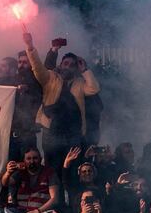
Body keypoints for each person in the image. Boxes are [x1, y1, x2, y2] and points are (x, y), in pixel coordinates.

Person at [21, 31, 100, 177]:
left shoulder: (80, 83)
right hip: (51, 132)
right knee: (52, 169)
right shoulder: (51, 78)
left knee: (72, 169)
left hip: (73, 133)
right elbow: (37, 67)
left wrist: (85, 70)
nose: (68, 66)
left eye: (72, 65)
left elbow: (93, 89)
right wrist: (30, 46)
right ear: (61, 65)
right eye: (66, 63)